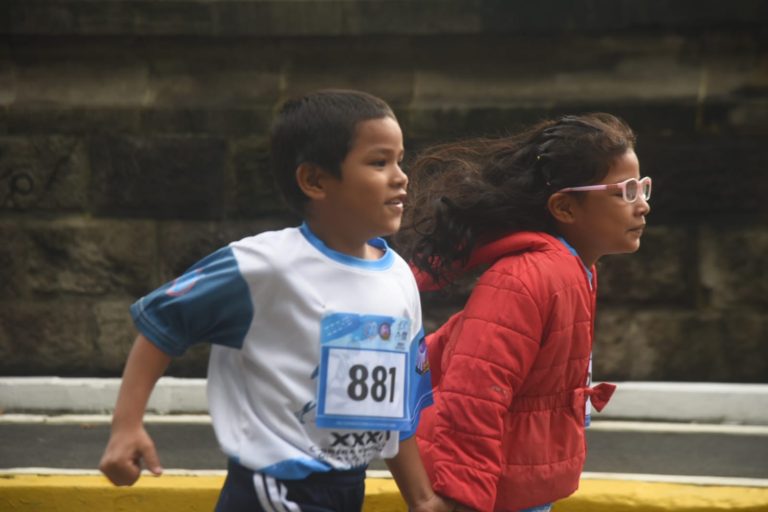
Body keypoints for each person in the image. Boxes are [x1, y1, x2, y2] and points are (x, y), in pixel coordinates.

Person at [99, 89, 452, 512]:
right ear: (315, 181)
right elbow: (165, 321)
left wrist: (421, 499)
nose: (400, 176)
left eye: (399, 159)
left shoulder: (398, 277)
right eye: (379, 162)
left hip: (346, 489)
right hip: (275, 489)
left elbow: (396, 407)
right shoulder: (264, 265)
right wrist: (126, 426)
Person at [395, 113, 651, 512]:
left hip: (516, 485)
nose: (643, 206)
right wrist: (464, 499)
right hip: (488, 494)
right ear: (565, 206)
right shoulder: (526, 278)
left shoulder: (576, 268)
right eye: (626, 191)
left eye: (643, 188)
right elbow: (474, 396)